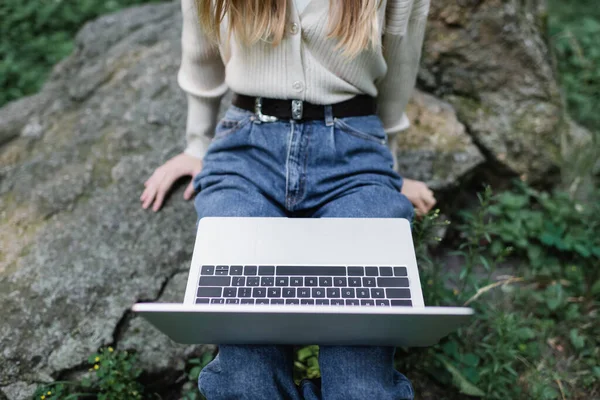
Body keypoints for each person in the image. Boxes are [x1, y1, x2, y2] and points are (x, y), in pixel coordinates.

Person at [141, 0, 433, 398]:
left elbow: (399, 68)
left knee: (361, 385)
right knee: (248, 378)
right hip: (245, 152)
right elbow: (200, 45)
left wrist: (387, 173)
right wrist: (196, 144)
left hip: (356, 154)